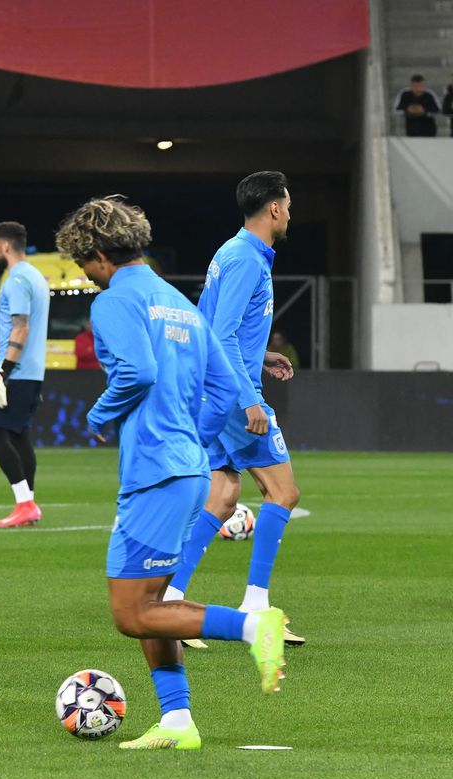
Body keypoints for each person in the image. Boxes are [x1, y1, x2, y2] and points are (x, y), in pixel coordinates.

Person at [55, 195, 286, 750]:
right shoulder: (178, 302)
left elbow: (136, 371)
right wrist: (191, 441)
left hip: (155, 474)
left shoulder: (114, 302)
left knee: (131, 613)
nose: (85, 275)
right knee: (154, 605)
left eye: (84, 262)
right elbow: (227, 387)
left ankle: (255, 627)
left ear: (102, 254)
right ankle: (178, 721)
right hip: (185, 468)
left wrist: (99, 416)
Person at [164, 171, 305, 647]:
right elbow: (221, 334)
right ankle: (256, 604)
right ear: (274, 210)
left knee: (223, 494)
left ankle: (172, 597)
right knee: (283, 493)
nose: (289, 213)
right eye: (287, 205)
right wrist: (249, 398)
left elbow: (210, 324)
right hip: (232, 395)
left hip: (217, 387)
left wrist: (261, 353)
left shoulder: (232, 251)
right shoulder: (247, 259)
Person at [0, 221, 49, 528]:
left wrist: (3, 372)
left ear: (6, 245)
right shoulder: (36, 276)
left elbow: (21, 326)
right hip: (33, 371)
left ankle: (25, 503)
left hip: (16, 371)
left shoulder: (17, 279)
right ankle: (29, 503)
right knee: (19, 434)